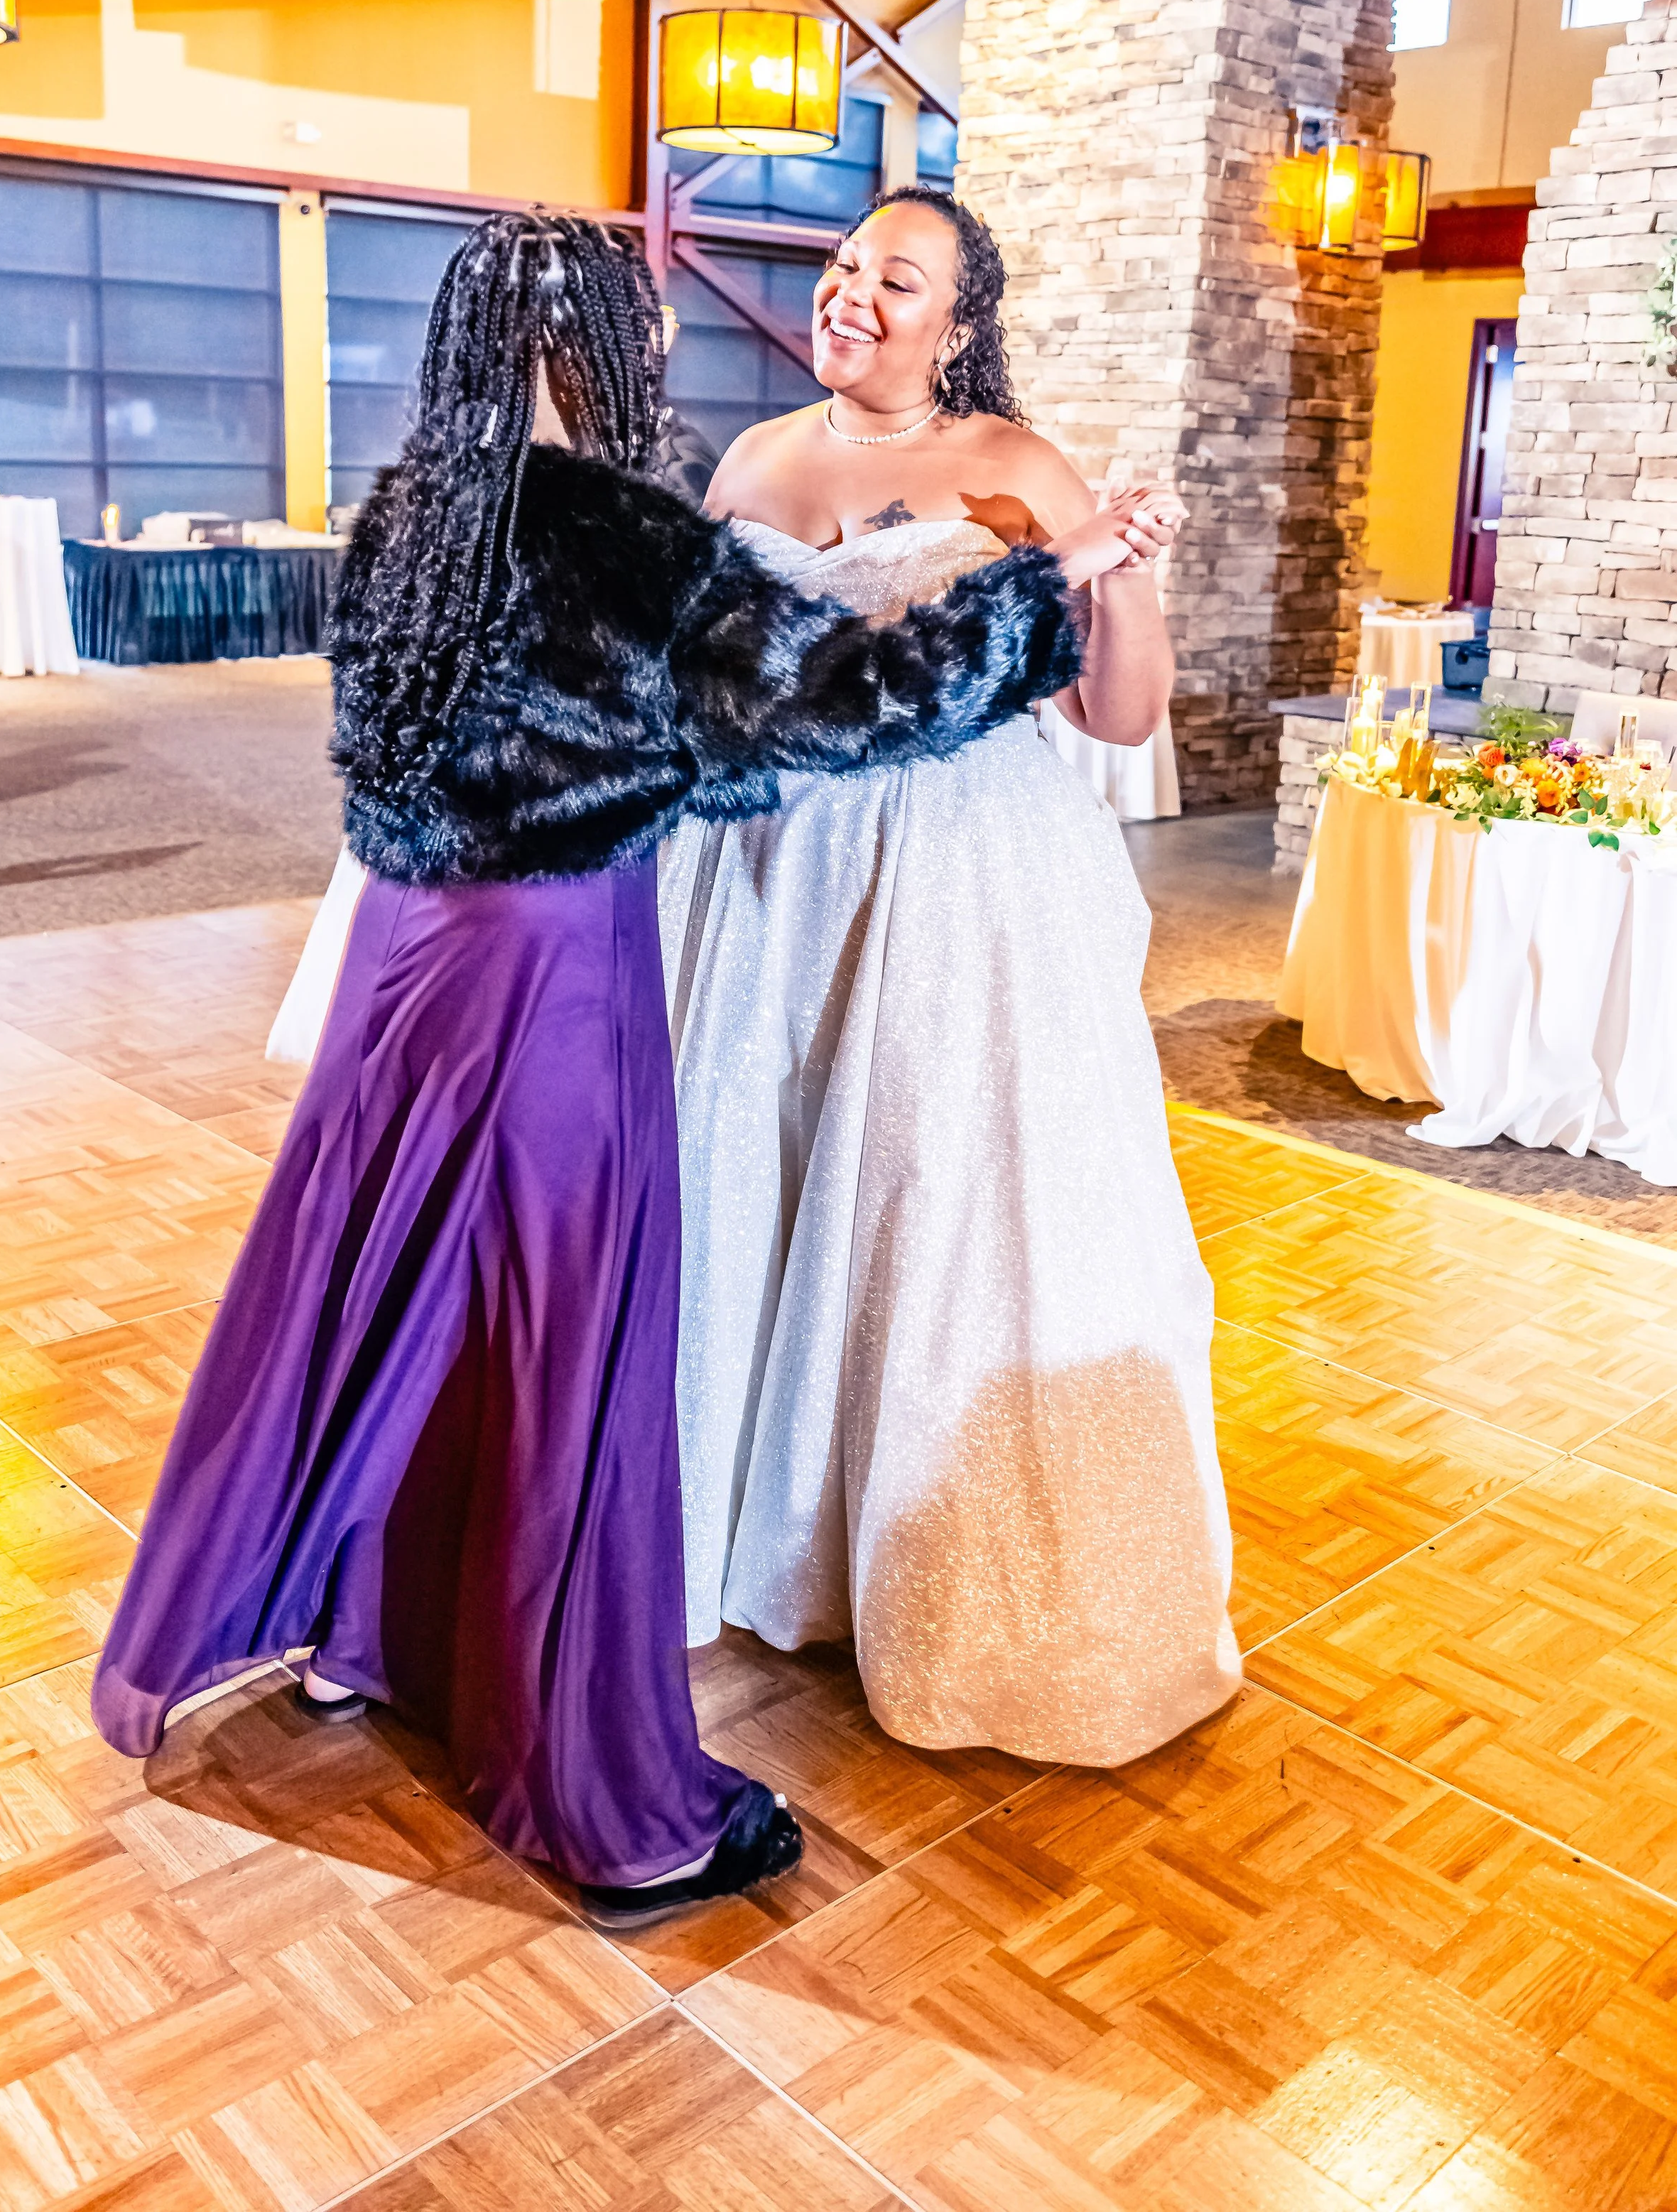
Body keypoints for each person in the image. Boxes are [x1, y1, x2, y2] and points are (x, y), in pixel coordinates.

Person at [91, 210, 1102, 1929]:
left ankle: (359, 1635)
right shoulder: (633, 536)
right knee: (569, 1334)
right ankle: (613, 1812)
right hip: (557, 965)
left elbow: (462, 737)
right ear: (618, 353)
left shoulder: (417, 509)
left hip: (406, 961)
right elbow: (848, 709)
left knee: (394, 1282)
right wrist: (1034, 591)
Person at [660, 183, 1242, 1769]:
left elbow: (1116, 718)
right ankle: (761, 1517)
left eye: (893, 280)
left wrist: (1112, 572)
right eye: (845, 268)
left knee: (930, 1181)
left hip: (963, 872)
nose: (852, 294)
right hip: (774, 862)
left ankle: (925, 1544)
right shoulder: (756, 463)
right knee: (758, 1159)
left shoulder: (1007, 469)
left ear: (958, 322)